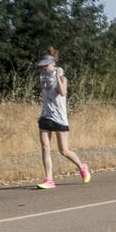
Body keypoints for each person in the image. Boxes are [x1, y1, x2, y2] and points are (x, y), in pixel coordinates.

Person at [35, 48, 91, 189]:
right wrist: (49, 75)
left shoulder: (62, 77)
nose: (44, 68)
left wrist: (59, 77)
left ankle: (81, 166)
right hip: (45, 116)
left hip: (59, 119)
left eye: (46, 65)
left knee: (64, 151)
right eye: (43, 66)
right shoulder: (43, 77)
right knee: (45, 147)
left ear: (54, 64)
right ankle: (49, 179)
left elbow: (63, 92)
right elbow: (46, 89)